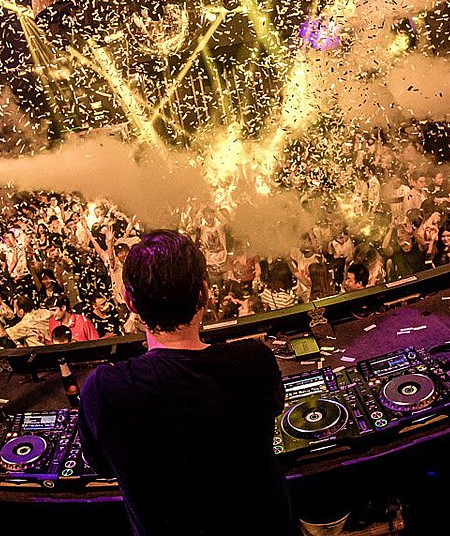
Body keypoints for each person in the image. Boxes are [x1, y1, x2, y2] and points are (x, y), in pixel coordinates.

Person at [79, 230, 297, 536]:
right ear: (204, 293)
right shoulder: (254, 361)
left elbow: (101, 465)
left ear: (130, 302)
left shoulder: (104, 389)